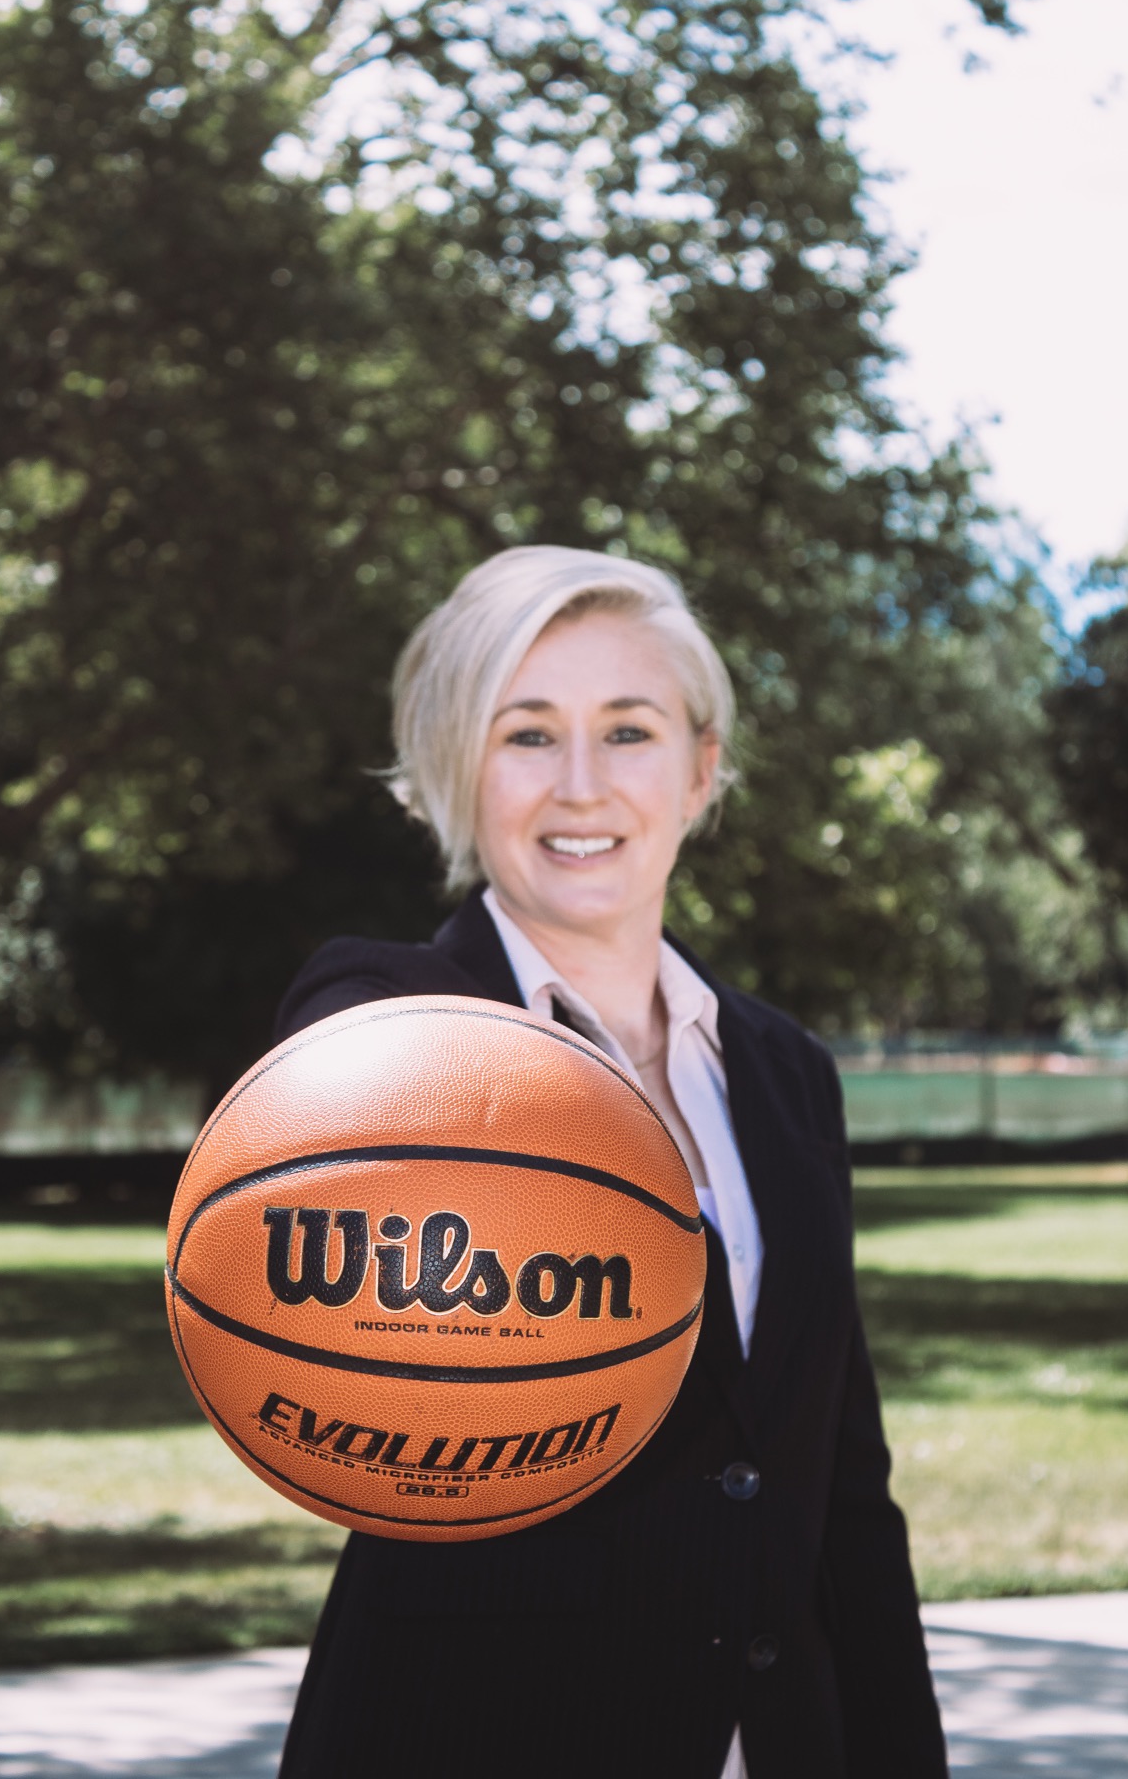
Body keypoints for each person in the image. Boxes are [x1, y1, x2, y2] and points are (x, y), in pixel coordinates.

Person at [274, 547, 948, 1779]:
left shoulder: (787, 1073)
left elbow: (840, 1494)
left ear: (701, 770)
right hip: (465, 1741)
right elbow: (333, 1104)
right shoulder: (396, 1009)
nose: (581, 786)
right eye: (525, 735)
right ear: (455, 771)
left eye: (628, 731)